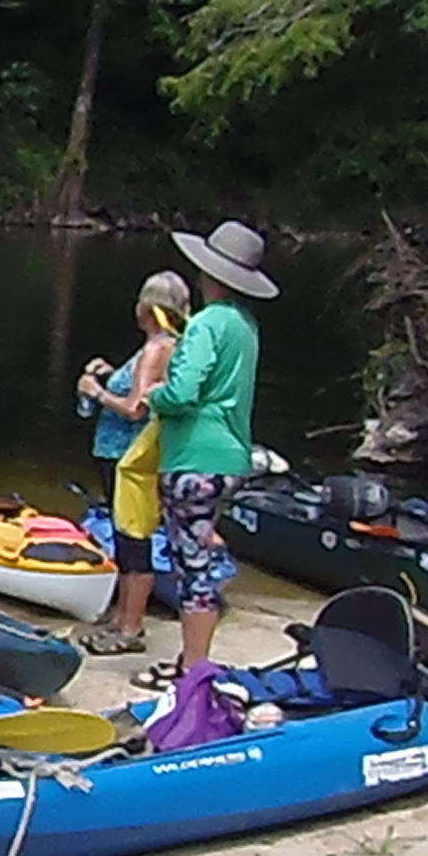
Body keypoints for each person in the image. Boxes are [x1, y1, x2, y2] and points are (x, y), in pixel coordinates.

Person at [144, 221, 274, 675]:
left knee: (192, 567)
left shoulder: (204, 325)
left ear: (209, 273)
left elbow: (182, 393)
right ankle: (191, 660)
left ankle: (193, 671)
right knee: (198, 555)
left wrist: (154, 394)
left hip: (195, 457)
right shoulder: (246, 325)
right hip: (232, 455)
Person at [75, 271, 193, 656]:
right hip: (132, 457)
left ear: (146, 309)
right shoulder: (171, 344)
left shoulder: (156, 349)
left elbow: (134, 408)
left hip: (127, 456)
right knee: (127, 534)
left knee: (132, 540)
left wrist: (97, 391)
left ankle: (130, 627)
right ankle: (123, 618)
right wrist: (114, 375)